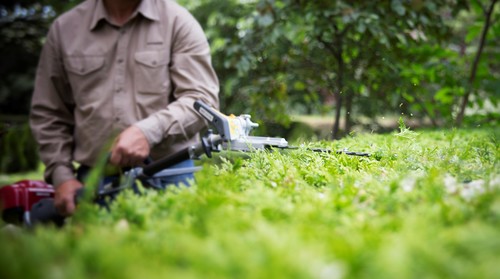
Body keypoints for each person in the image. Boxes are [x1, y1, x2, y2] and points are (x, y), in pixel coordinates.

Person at [30, 0, 219, 216]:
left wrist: (148, 132)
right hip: (92, 184)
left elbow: (202, 100)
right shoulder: (65, 29)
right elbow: (48, 113)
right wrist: (62, 176)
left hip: (169, 174)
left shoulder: (178, 22)